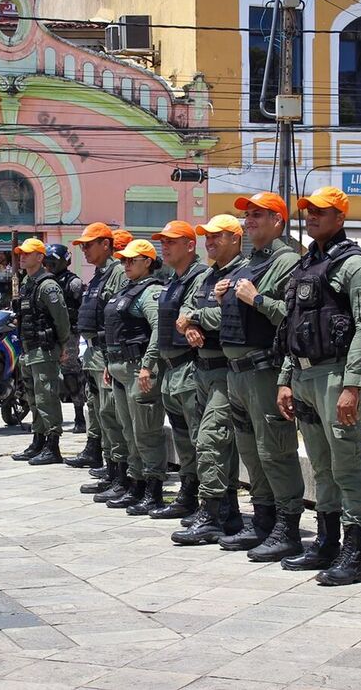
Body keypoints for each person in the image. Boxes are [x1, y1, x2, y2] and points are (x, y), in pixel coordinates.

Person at [275, 186, 361, 586]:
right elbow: (293, 328)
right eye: (308, 211)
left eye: (321, 211)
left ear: (340, 217)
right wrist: (286, 378)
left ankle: (354, 553)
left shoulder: (356, 266)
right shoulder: (307, 265)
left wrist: (352, 385)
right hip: (303, 375)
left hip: (336, 375)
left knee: (347, 464)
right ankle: (327, 541)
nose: (312, 216)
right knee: (321, 464)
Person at [217, 192, 304, 562]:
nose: (249, 221)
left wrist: (256, 299)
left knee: (275, 452)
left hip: (264, 371)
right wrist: (223, 295)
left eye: (258, 215)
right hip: (237, 374)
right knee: (252, 454)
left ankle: (287, 526)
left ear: (278, 221)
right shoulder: (248, 262)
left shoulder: (287, 261)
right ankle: (263, 518)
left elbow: (292, 314)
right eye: (247, 215)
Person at [171, 214, 247, 545]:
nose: (209, 242)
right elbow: (181, 315)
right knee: (213, 442)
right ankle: (226, 510)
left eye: (217, 236)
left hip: (225, 370)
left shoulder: (241, 273)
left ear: (235, 238)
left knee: (211, 439)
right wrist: (188, 326)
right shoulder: (208, 277)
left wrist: (197, 318)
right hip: (201, 368)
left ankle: (212, 512)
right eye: (207, 237)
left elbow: (228, 314)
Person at [149, 221, 209, 520]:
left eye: (172, 241)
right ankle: (188, 492)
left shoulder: (200, 277)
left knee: (199, 438)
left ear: (189, 245)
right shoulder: (173, 279)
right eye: (163, 241)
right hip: (171, 370)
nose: (165, 245)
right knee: (183, 438)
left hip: (189, 367)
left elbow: (189, 315)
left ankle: (203, 498)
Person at [102, 239, 167, 513]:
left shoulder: (150, 292)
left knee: (146, 432)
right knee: (129, 432)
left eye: (132, 260)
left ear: (148, 262)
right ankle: (135, 483)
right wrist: (109, 362)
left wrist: (148, 365)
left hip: (138, 370)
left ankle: (153, 491)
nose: (126, 264)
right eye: (124, 260)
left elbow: (158, 329)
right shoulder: (127, 290)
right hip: (119, 367)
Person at [71, 223, 130, 500]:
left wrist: (109, 355)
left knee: (111, 415)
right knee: (100, 413)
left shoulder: (117, 272)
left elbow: (118, 317)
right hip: (93, 353)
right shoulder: (99, 275)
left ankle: (121, 475)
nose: (84, 249)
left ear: (106, 244)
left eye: (89, 244)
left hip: (106, 353)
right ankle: (111, 470)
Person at [9, 238, 72, 466]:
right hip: (28, 349)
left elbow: (61, 319)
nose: (22, 257)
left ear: (40, 257)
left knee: (47, 397)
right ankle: (38, 440)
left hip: (44, 350)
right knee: (33, 398)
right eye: (21, 254)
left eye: (27, 253)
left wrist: (65, 344)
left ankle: (52, 445)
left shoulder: (48, 285)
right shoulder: (27, 282)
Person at [43, 244, 89, 440]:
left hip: (68, 333)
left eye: (53, 261)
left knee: (71, 373)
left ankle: (79, 416)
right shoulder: (43, 281)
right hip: (46, 333)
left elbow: (83, 310)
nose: (49, 265)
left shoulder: (74, 283)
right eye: (47, 261)